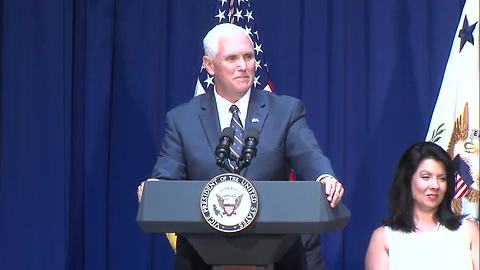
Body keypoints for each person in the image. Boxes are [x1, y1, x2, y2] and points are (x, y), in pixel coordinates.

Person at [138, 23, 345, 270]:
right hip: (201, 257)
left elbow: (309, 155)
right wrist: (155, 189)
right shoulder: (182, 119)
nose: (243, 66)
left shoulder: (285, 111)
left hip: (275, 256)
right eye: (232, 58)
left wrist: (324, 176)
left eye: (248, 56)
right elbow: (167, 172)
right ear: (209, 65)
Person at [365, 142, 479, 270]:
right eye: (426, 177)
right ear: (408, 180)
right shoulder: (384, 238)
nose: (435, 185)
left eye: (442, 178)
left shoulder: (468, 231)